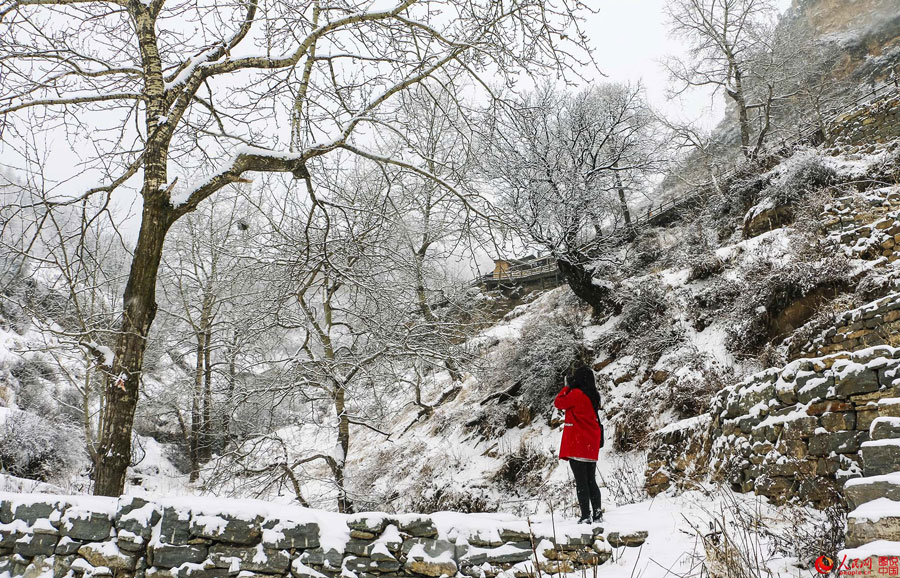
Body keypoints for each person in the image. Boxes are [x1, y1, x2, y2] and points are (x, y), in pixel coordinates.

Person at [554, 363, 604, 524]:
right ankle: (597, 514)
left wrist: (567, 387)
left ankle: (585, 516)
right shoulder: (594, 395)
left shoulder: (575, 394)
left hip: (578, 444)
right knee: (591, 480)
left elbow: (559, 403)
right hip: (591, 443)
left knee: (581, 482)